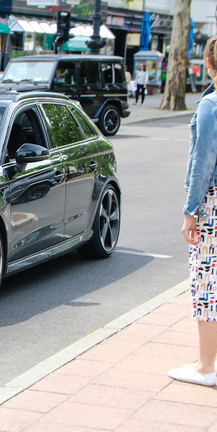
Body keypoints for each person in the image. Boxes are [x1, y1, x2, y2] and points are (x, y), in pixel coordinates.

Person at [172, 35, 217, 387]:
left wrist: (190, 210)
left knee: (207, 283)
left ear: (208, 64)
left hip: (212, 204)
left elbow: (201, 162)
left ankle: (206, 367)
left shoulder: (211, 105)